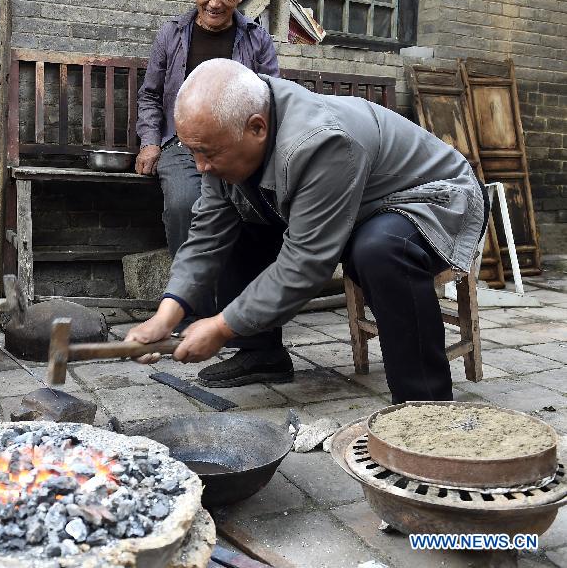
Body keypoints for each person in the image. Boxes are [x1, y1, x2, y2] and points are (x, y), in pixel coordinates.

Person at [126, 59, 488, 402]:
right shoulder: (226, 138)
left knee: (379, 250)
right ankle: (261, 355)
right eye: (193, 153)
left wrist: (222, 327)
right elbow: (206, 234)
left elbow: (306, 262)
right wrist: (166, 315)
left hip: (434, 198)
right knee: (238, 218)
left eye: (207, 153)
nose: (201, 166)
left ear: (257, 127)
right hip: (361, 206)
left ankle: (425, 409)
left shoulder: (320, 142)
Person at [136, 0, 290, 387]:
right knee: (186, 201)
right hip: (182, 142)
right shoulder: (173, 34)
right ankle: (192, 310)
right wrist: (150, 141)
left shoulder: (256, 39)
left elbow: (271, 97)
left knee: (250, 214)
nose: (216, 2)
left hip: (234, 145)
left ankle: (233, 322)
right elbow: (150, 95)